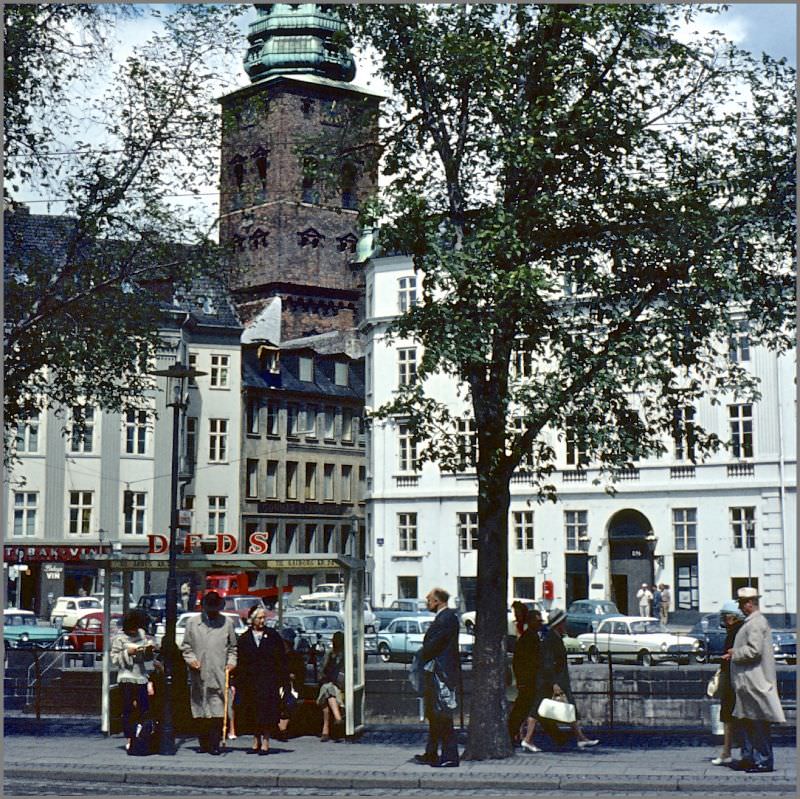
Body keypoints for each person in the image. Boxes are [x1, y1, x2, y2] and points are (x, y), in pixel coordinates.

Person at [725, 586, 786, 773]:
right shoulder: (753, 622)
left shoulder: (756, 623)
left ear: (750, 603)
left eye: (742, 604)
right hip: (748, 682)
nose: (740, 607)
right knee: (748, 721)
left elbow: (754, 651)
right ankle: (750, 758)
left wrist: (735, 653)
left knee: (758, 723)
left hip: (754, 681)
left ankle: (763, 761)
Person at [180, 591, 238, 756]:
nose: (212, 612)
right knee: (200, 707)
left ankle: (215, 743)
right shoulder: (192, 623)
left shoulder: (227, 623)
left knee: (218, 707)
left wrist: (231, 663)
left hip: (219, 671)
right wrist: (191, 660)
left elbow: (233, 648)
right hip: (199, 672)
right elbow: (186, 647)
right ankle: (203, 743)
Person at [534, 608, 598, 750]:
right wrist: (554, 683)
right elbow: (548, 662)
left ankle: (580, 738)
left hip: (556, 679)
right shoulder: (552, 639)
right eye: (564, 621)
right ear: (559, 624)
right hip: (555, 680)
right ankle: (580, 738)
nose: (566, 624)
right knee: (542, 709)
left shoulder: (554, 637)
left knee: (564, 708)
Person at [413, 587, 460, 768]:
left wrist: (421, 654)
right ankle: (431, 752)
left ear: (437, 601)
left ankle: (450, 755)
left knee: (442, 714)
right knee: (434, 714)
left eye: (429, 600)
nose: (427, 603)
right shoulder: (446, 617)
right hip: (438, 671)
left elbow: (434, 645)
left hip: (441, 673)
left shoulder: (446, 618)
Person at [234, 605, 289, 754]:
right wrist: (238, 682)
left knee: (267, 710)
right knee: (253, 710)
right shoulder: (245, 638)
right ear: (252, 619)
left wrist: (282, 679)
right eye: (259, 618)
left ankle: (266, 740)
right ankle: (255, 739)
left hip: (268, 679)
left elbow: (281, 658)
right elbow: (241, 661)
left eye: (264, 618)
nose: (262, 621)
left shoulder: (272, 635)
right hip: (251, 681)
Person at [111, 609, 158, 753]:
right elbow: (114, 659)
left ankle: (141, 736)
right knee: (128, 708)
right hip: (126, 676)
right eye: (131, 629)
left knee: (144, 708)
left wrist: (148, 651)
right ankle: (130, 737)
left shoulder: (142, 634)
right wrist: (127, 653)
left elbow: (147, 658)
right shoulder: (119, 638)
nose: (133, 632)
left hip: (140, 676)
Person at [711, 600, 745, 766]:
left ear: (731, 618)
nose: (724, 621)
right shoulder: (741, 629)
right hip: (735, 677)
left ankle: (727, 751)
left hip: (732, 678)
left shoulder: (734, 632)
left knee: (728, 715)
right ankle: (731, 750)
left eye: (725, 617)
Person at [509, 608, 543, 751]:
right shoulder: (528, 638)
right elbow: (519, 661)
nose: (540, 624)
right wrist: (521, 680)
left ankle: (517, 734)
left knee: (524, 708)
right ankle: (513, 733)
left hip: (530, 679)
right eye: (538, 621)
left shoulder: (532, 636)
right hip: (528, 680)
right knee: (522, 709)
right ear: (531, 622)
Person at [317, 630, 345, 742]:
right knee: (328, 690)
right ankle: (338, 718)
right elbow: (321, 671)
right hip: (328, 683)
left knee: (327, 693)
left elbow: (343, 675)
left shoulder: (345, 656)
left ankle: (325, 730)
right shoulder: (329, 654)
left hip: (339, 685)